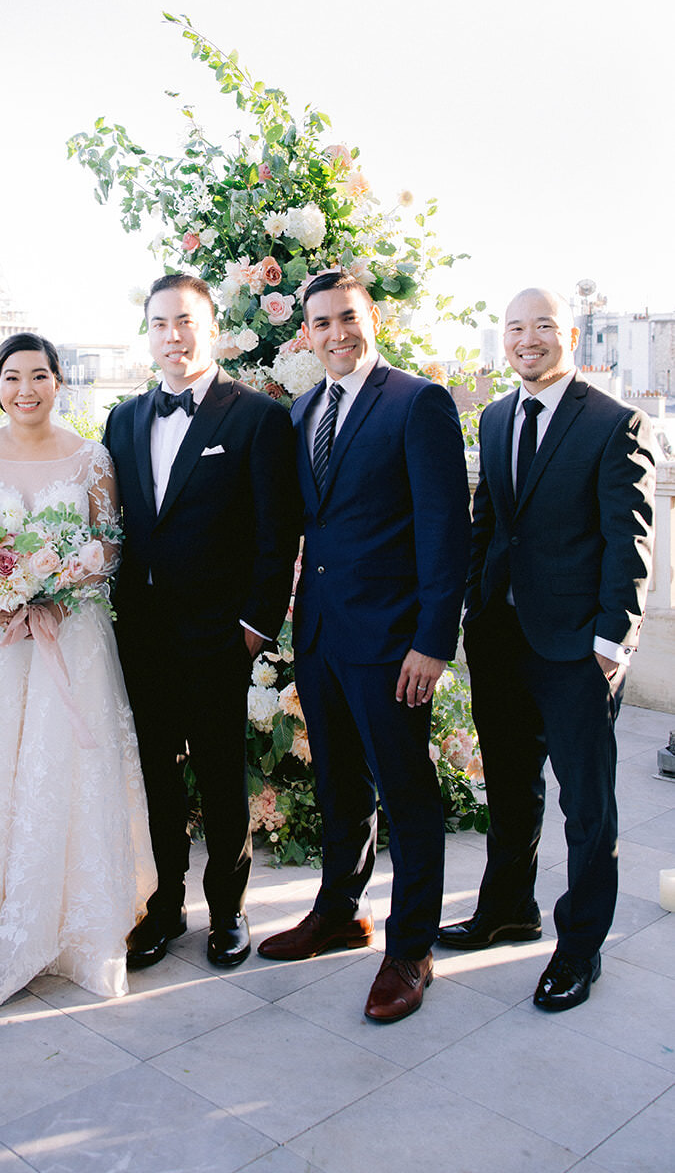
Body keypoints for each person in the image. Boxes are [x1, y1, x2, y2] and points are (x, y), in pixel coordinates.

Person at [0, 333, 154, 1014]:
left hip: (69, 641)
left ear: (58, 383)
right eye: (13, 376)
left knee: (60, 775)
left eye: (40, 375)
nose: (26, 388)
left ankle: (63, 928)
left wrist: (70, 571)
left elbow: (110, 541)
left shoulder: (91, 458)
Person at [258, 267, 470, 1023]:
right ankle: (339, 914)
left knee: (406, 795)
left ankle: (410, 948)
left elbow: (447, 532)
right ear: (305, 334)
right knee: (339, 787)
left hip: (391, 643)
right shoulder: (303, 409)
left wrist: (432, 643)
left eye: (348, 317)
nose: (337, 334)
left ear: (369, 316)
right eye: (321, 323)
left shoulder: (418, 403)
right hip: (318, 633)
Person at [438, 287, 655, 1012]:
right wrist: (472, 610)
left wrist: (609, 642)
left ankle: (579, 948)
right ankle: (506, 908)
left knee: (586, 807)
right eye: (512, 329)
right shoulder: (496, 417)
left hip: (575, 650)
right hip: (500, 638)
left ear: (569, 334)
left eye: (540, 327)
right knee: (507, 788)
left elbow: (630, 541)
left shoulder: (614, 422)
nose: (525, 340)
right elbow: (488, 523)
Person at [105, 275, 299, 970]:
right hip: (142, 636)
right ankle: (164, 909)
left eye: (184, 321)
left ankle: (228, 912)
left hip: (220, 634)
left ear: (209, 327)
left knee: (221, 778)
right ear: (148, 333)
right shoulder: (124, 420)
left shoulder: (254, 418)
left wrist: (253, 628)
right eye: (158, 323)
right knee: (155, 777)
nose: (171, 336)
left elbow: (277, 537)